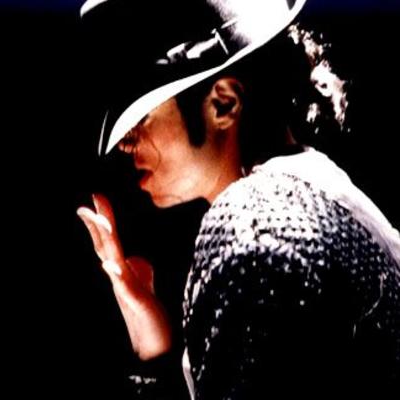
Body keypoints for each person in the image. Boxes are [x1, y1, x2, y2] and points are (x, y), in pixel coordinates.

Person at [76, 1, 400, 399]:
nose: (125, 144)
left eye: (140, 119)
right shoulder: (320, 194)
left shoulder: (254, 224)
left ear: (223, 104)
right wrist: (155, 349)